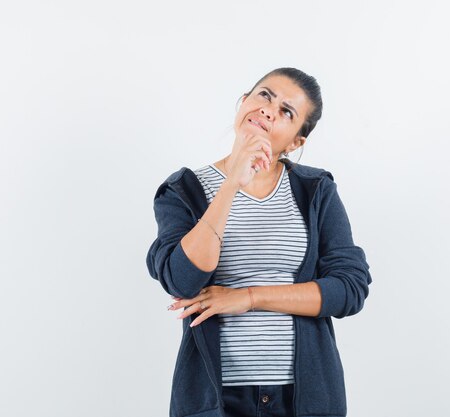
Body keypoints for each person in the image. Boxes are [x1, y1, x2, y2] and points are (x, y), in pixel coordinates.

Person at [146, 67, 372, 417]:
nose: (269, 109)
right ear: (243, 102)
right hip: (215, 399)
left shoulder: (316, 191)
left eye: (287, 112)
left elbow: (349, 289)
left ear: (296, 141)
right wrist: (232, 182)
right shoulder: (183, 190)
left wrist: (248, 298)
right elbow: (183, 279)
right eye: (264, 95)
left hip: (303, 398)